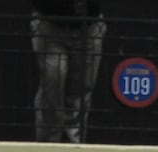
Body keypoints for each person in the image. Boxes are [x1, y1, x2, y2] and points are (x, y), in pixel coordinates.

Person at [30, 0, 105, 143]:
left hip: (88, 27)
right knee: (54, 78)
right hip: (50, 26)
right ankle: (49, 145)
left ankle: (75, 146)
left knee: (81, 89)